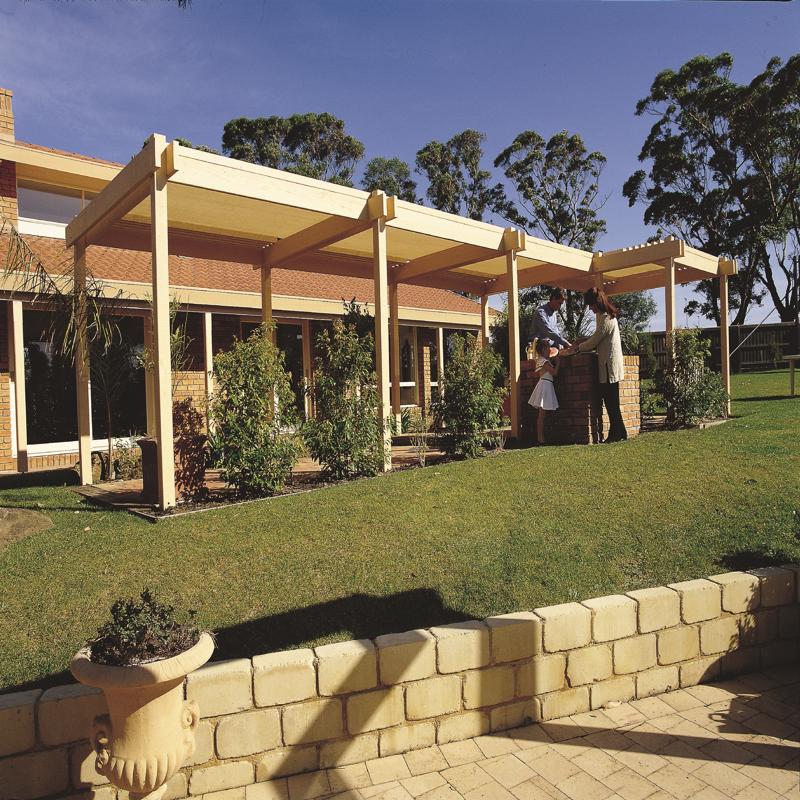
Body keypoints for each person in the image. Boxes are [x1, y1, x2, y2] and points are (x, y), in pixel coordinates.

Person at [566, 287, 627, 442]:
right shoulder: (603, 317)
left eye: (591, 305)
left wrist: (577, 348)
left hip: (609, 366)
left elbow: (595, 340)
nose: (590, 308)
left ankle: (616, 433)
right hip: (607, 364)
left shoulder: (607, 318)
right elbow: (596, 337)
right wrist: (581, 341)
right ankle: (620, 432)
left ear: (597, 302)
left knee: (611, 402)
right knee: (612, 401)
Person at [527, 338, 560, 445]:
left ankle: (542, 437)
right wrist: (558, 363)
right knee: (542, 414)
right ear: (543, 349)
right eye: (547, 347)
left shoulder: (541, 360)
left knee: (543, 414)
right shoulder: (544, 361)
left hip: (545, 384)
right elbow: (554, 373)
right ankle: (540, 438)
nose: (549, 349)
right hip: (545, 386)